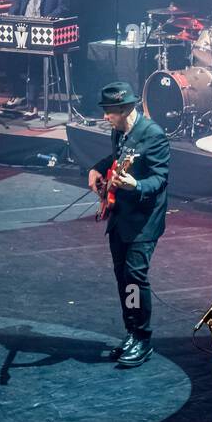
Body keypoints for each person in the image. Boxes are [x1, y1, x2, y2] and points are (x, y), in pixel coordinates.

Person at [87, 81, 170, 368]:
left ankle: (143, 338)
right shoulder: (119, 130)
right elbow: (119, 157)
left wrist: (135, 185)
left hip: (144, 221)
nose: (105, 117)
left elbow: (160, 179)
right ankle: (131, 332)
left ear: (125, 109)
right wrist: (98, 167)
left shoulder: (154, 135)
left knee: (135, 278)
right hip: (120, 215)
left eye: (109, 111)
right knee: (123, 277)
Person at [6, 0, 70, 107]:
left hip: (43, 29)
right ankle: (18, 94)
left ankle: (32, 103)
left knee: (34, 61)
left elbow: (63, 7)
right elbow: (19, 1)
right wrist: (10, 15)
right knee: (8, 57)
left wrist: (47, 19)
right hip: (22, 26)